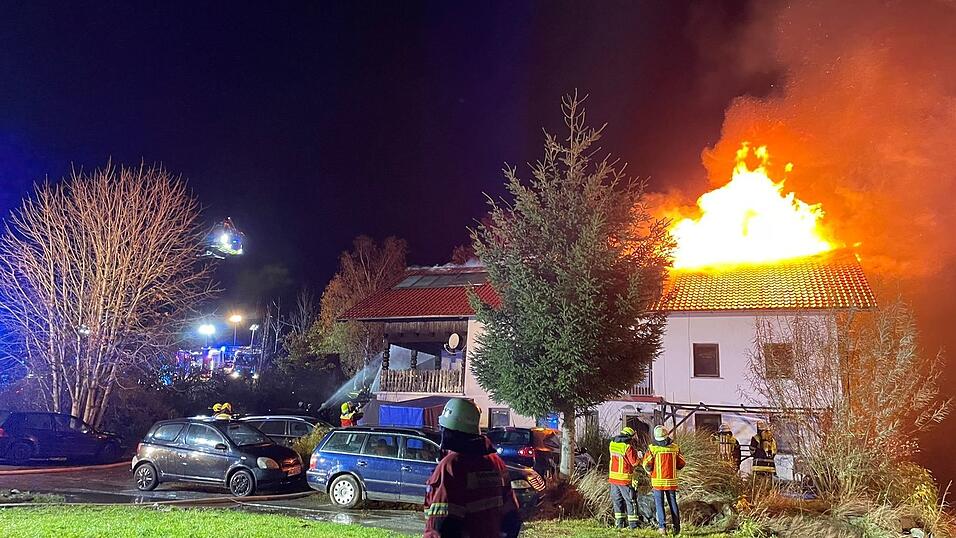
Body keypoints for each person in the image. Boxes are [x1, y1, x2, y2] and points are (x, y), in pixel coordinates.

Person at [423, 398, 521, 538]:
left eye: (443, 428)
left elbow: (443, 527)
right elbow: (512, 519)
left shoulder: (452, 466)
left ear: (451, 430)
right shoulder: (496, 463)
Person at [641, 425, 685, 536]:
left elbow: (646, 464)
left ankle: (662, 528)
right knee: (673, 503)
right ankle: (677, 528)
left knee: (659, 504)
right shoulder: (674, 447)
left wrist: (650, 471)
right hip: (671, 481)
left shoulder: (652, 448)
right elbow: (682, 463)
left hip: (658, 481)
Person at [608, 426, 642, 529]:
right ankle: (633, 525)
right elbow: (634, 463)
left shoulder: (612, 444)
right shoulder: (628, 447)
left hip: (613, 478)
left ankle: (619, 524)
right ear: (629, 437)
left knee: (617, 501)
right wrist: (640, 457)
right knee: (631, 501)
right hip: (624, 478)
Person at [750, 421, 777, 488]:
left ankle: (760, 497)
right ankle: (768, 497)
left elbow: (752, 450)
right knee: (769, 486)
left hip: (758, 466)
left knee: (758, 486)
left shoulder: (755, 438)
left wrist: (757, 454)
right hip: (770, 466)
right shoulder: (772, 439)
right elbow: (775, 451)